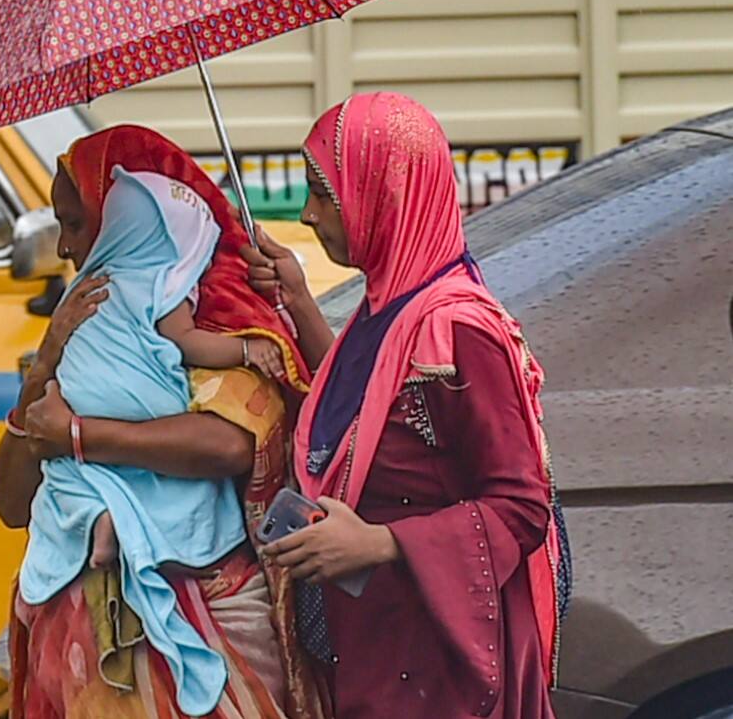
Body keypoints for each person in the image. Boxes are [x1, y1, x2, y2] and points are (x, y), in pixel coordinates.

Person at [243, 93, 570, 719]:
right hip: (380, 648)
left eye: (323, 194)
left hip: (436, 671)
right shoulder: (387, 311)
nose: (309, 215)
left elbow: (521, 504)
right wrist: (299, 303)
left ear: (381, 193)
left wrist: (380, 544)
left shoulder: (458, 332)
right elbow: (363, 408)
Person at [0, 125, 323, 719]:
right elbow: (11, 504)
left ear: (123, 219)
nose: (66, 248)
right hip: (80, 626)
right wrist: (43, 364)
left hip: (207, 604)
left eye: (75, 223)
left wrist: (78, 437)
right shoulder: (79, 328)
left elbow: (228, 445)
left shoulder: (224, 322)